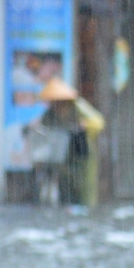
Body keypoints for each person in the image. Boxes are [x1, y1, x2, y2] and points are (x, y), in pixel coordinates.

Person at [31, 79, 104, 208]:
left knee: (85, 185)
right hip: (61, 154)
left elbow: (98, 122)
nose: (56, 105)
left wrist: (85, 126)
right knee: (65, 184)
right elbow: (43, 128)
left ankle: (86, 208)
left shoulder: (78, 107)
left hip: (81, 151)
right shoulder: (50, 113)